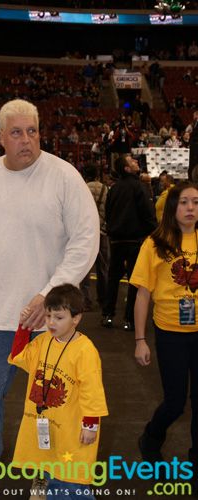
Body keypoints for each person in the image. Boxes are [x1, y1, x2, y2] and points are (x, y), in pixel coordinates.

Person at [0, 99, 100, 499]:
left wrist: (49, 295)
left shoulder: (64, 176)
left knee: (50, 403)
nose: (26, 140)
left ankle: (46, 473)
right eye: (16, 132)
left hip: (52, 319)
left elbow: (86, 241)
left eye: (32, 131)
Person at [8, 284, 108, 500]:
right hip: (48, 430)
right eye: (48, 316)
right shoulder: (43, 341)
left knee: (73, 484)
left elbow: (92, 391)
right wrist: (23, 327)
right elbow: (19, 356)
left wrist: (91, 425)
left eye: (59, 317)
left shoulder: (85, 351)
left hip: (72, 431)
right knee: (54, 481)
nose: (51, 323)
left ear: (76, 318)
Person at [130, 182, 198, 494]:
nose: (190, 208)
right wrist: (140, 339)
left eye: (195, 202)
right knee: (174, 403)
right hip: (170, 333)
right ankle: (150, 438)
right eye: (183, 202)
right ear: (172, 207)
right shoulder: (156, 243)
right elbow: (142, 295)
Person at [102, 154, 157, 331]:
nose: (135, 162)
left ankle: (107, 315)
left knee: (113, 278)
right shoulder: (139, 187)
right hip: (135, 241)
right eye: (132, 161)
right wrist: (155, 233)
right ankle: (129, 319)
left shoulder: (114, 189)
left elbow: (108, 213)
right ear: (126, 168)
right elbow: (148, 214)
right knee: (135, 280)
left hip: (116, 240)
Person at [80, 163, 109, 310]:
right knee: (102, 268)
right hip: (102, 232)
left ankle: (86, 301)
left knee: (85, 268)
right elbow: (108, 210)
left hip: (86, 234)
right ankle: (103, 299)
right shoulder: (105, 189)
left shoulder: (82, 188)